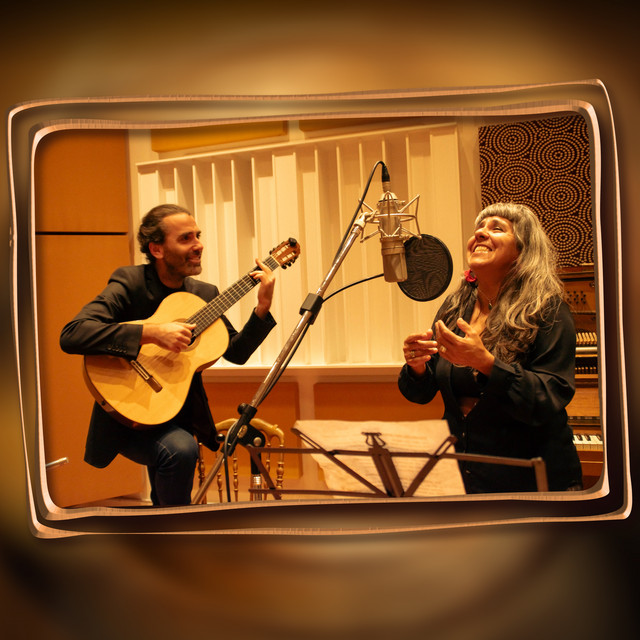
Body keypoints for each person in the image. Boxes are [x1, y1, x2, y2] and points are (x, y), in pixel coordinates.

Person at [60, 204, 277, 506]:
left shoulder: (204, 294)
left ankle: (166, 524)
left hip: (176, 411)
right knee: (181, 450)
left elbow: (236, 353)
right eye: (186, 238)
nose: (198, 245)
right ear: (157, 249)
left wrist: (262, 308)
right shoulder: (130, 283)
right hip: (129, 414)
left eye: (197, 236)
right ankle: (175, 527)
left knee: (177, 456)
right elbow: (73, 334)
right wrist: (150, 333)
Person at [398, 202, 583, 493]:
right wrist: (418, 367)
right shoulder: (455, 306)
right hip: (464, 471)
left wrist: (486, 364)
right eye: (479, 228)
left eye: (497, 228)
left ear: (522, 251)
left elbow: (549, 397)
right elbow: (421, 393)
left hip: (529, 479)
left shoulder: (548, 310)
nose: (480, 234)